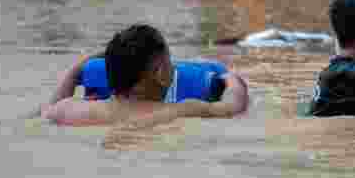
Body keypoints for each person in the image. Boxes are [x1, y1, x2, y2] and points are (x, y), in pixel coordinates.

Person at [39, 24, 249, 126]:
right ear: (160, 73)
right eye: (169, 63)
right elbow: (233, 107)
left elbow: (45, 112)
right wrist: (232, 80)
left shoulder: (69, 110)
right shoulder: (181, 111)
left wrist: (75, 72)